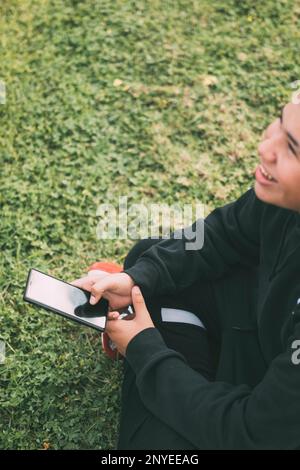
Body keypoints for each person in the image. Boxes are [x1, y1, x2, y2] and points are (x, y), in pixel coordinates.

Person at [71, 101, 300, 450]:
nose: (265, 148)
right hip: (264, 335)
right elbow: (226, 232)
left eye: (293, 149)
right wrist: (137, 280)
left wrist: (145, 351)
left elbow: (251, 432)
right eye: (280, 124)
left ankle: (145, 341)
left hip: (264, 417)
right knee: (150, 265)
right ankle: (146, 328)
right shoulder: (284, 199)